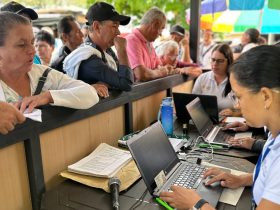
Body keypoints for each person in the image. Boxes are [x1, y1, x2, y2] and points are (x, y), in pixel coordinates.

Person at [160, 45, 280, 210]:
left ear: (266, 96)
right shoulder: (274, 134)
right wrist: (242, 179)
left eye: (238, 96)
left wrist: (197, 205)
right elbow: (269, 174)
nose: (237, 104)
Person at [0, 12, 99, 112]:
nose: (33, 51)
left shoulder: (43, 74)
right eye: (22, 45)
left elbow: (90, 94)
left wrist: (48, 96)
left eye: (32, 42)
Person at [64, 2, 133, 98]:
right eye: (114, 26)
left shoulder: (107, 50)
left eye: (118, 27)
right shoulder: (87, 56)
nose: (118, 32)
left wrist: (110, 83)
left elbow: (125, 78)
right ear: (96, 26)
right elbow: (126, 83)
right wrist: (122, 51)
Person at [126, 7, 171, 82]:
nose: (161, 34)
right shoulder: (132, 40)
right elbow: (141, 74)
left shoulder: (149, 42)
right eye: (162, 28)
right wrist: (160, 73)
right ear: (155, 24)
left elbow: (159, 66)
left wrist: (157, 71)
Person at [192, 44, 235, 113]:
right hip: (205, 119)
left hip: (228, 120)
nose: (215, 64)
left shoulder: (236, 80)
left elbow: (245, 108)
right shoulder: (202, 78)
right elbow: (193, 103)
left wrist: (233, 113)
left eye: (220, 61)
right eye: (213, 60)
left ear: (228, 62)